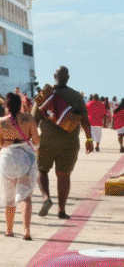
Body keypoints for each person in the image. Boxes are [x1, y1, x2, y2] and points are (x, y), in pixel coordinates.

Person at [33, 66, 93, 219]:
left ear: (55, 76)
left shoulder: (45, 95)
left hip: (47, 141)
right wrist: (89, 139)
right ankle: (61, 210)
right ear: (68, 77)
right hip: (70, 143)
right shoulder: (76, 96)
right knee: (64, 175)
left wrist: (31, 140)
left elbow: (34, 120)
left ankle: (46, 198)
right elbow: (85, 120)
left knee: (41, 170)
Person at [0, 93, 39, 240]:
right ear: (21, 104)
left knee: (9, 197)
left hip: (7, 160)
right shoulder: (29, 118)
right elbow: (36, 141)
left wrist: (9, 142)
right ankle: (26, 231)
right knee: (25, 195)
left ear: (6, 105)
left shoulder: (1, 121)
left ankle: (9, 230)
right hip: (25, 158)